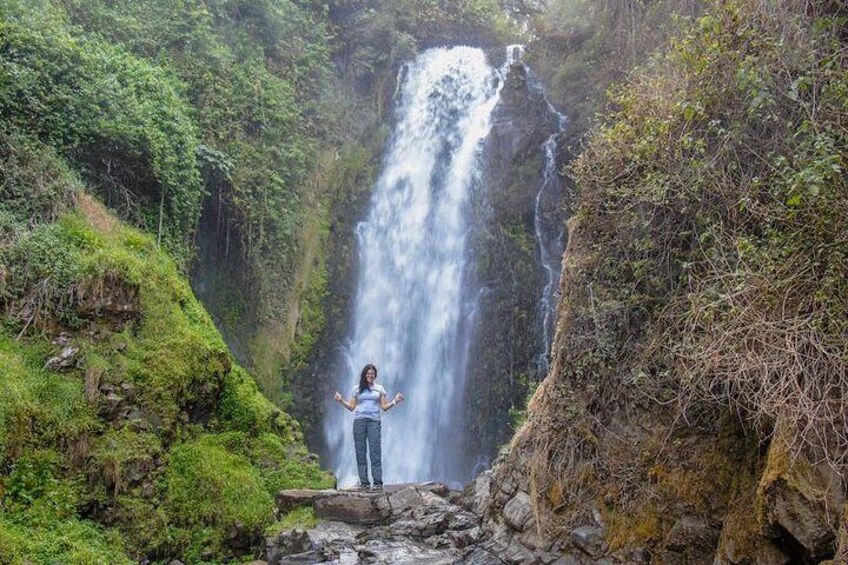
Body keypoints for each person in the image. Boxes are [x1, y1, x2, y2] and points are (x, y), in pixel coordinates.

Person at [333, 363, 405, 491]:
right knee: (360, 452)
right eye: (368, 373)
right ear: (364, 375)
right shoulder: (357, 389)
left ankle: (377, 482)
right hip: (359, 422)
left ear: (375, 375)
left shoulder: (380, 389)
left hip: (374, 422)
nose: (370, 376)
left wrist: (395, 401)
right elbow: (351, 407)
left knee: (375, 452)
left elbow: (384, 407)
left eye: (372, 374)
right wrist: (340, 400)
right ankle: (364, 482)